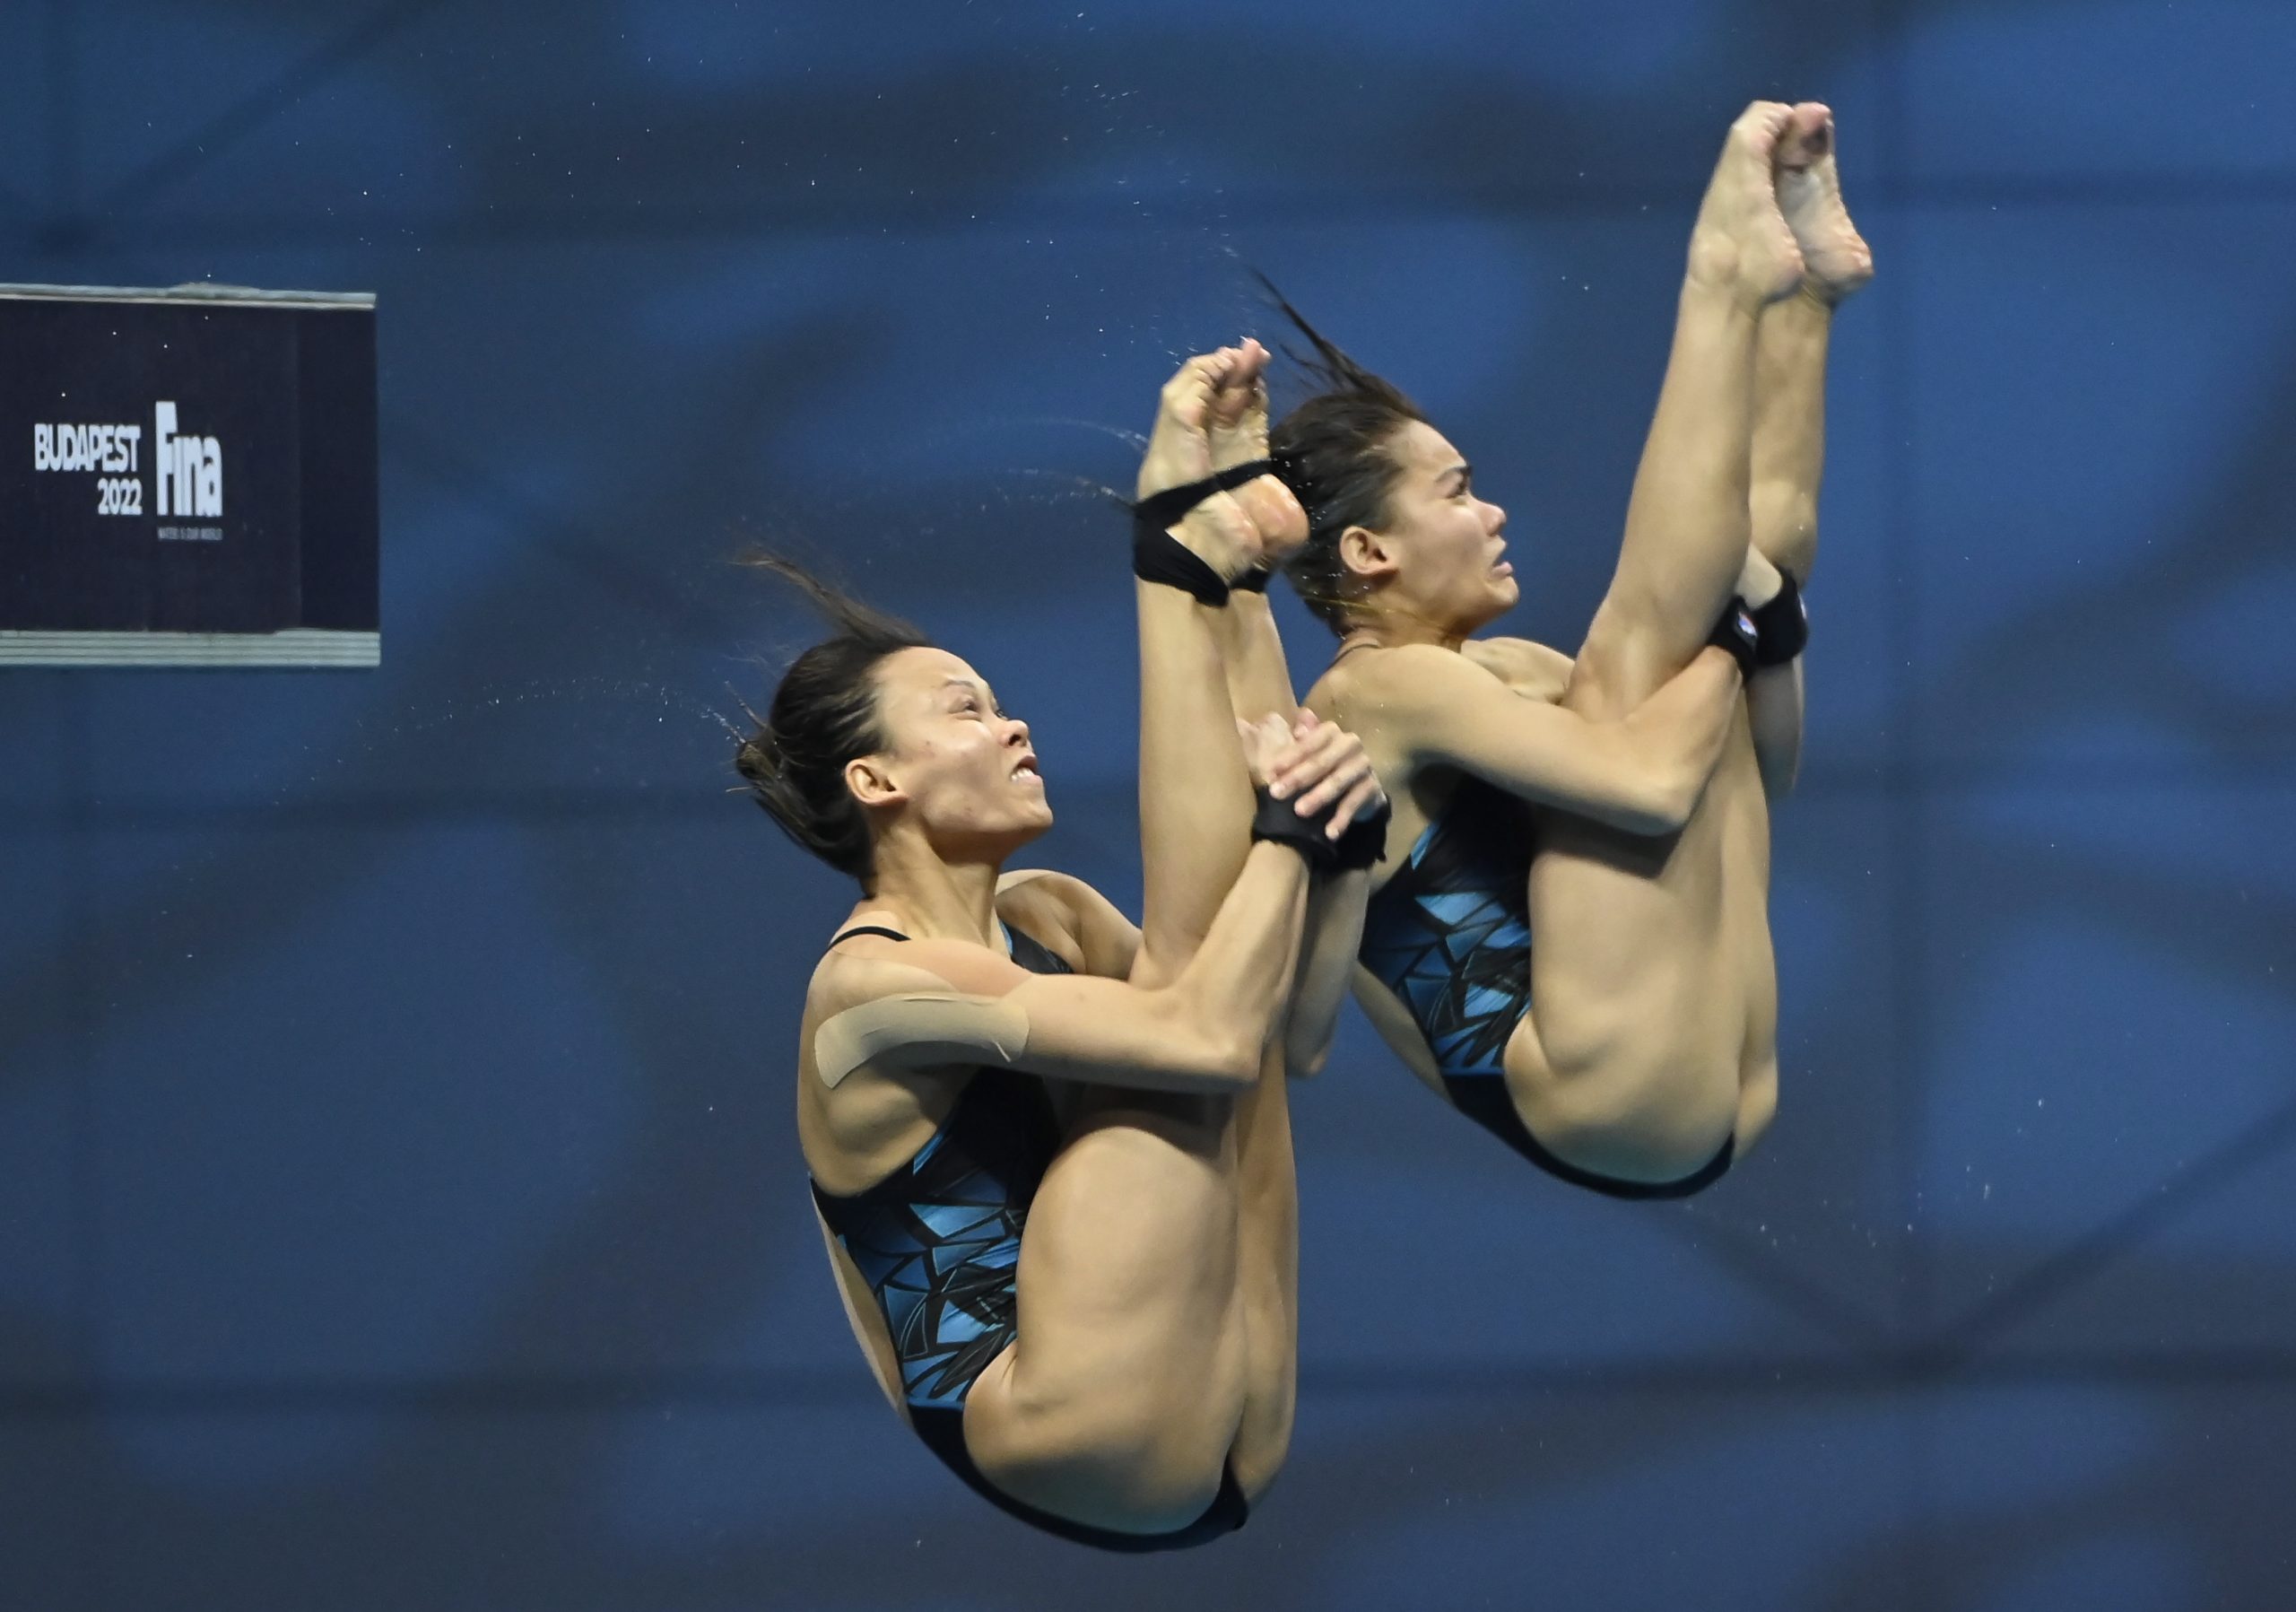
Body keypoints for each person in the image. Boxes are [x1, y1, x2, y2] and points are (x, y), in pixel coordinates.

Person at [734, 344, 1382, 1547]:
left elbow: (1291, 1035)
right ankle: (1175, 558)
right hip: (1053, 1420)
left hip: (1225, 1424)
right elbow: (1205, 1033)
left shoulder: (1050, 915)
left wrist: (1327, 848)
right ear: (876, 779)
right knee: (1181, 1034)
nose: (1014, 720)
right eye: (967, 710)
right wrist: (1289, 844)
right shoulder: (868, 988)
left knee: (1216, 996)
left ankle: (1220, 577)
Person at [1270, 101, 1873, 1197]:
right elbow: (1642, 786)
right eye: (1457, 492)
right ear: (1368, 552)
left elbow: (1762, 772)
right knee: (1646, 655)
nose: (1493, 513)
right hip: (1597, 1086)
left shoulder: (1507, 681)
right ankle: (1722, 286)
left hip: (1692, 1083)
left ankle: (1806, 302)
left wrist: (1758, 633)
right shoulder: (1372, 693)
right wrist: (1735, 637)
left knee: (1715, 615)